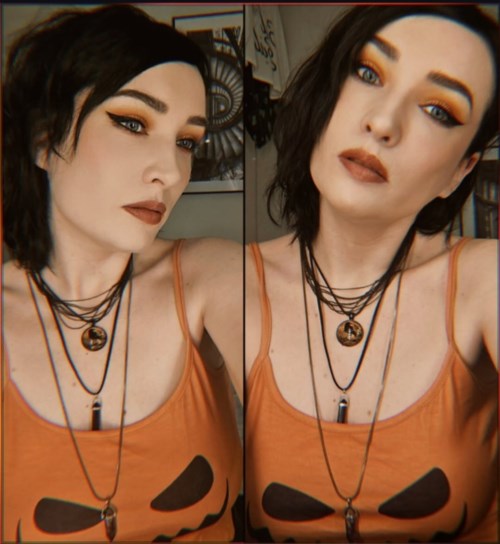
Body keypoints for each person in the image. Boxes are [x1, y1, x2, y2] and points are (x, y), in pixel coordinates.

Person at [245, 5, 498, 543]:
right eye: (367, 72)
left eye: (438, 110)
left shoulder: (485, 281)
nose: (382, 123)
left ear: (460, 171)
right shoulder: (228, 283)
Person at [2, 5, 242, 542]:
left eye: (187, 142)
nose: (170, 171)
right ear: (44, 139)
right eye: (133, 123)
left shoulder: (206, 275)